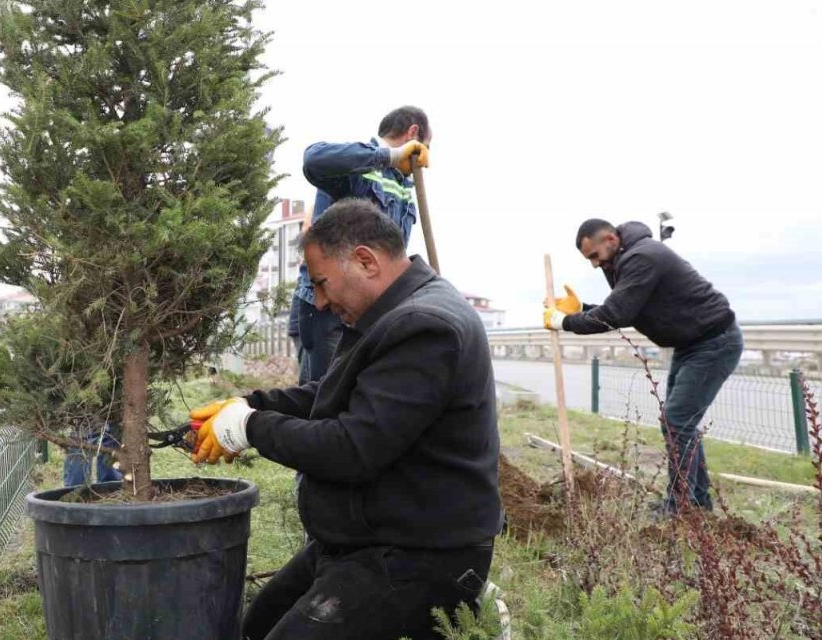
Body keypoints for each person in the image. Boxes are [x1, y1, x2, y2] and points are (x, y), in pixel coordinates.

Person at [191, 199, 502, 640]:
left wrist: (248, 428)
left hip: (419, 555)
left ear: (365, 261)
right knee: (254, 627)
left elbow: (352, 449)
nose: (318, 302)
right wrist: (251, 403)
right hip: (362, 540)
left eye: (321, 283)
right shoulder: (389, 313)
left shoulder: (425, 327)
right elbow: (333, 394)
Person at [544, 219, 742, 514]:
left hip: (714, 343)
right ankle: (696, 502)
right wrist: (581, 309)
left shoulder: (643, 257)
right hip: (692, 345)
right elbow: (628, 305)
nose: (594, 265)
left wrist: (566, 322)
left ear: (611, 239)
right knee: (677, 423)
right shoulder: (622, 260)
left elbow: (617, 314)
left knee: (677, 421)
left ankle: (682, 506)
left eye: (594, 256)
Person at [290, 106, 431, 384]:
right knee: (321, 396)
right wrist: (390, 157)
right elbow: (313, 158)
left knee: (350, 395)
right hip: (330, 307)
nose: (425, 159)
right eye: (425, 147)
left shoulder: (404, 186)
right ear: (413, 134)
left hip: (370, 312)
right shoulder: (360, 165)